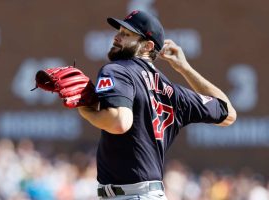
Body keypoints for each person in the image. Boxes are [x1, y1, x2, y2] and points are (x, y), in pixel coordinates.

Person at [78, 10, 237, 199]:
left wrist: (85, 110)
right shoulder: (175, 93)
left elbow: (119, 122)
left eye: (126, 34)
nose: (117, 37)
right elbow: (228, 113)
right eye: (119, 31)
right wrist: (185, 69)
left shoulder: (119, 70)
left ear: (147, 46)